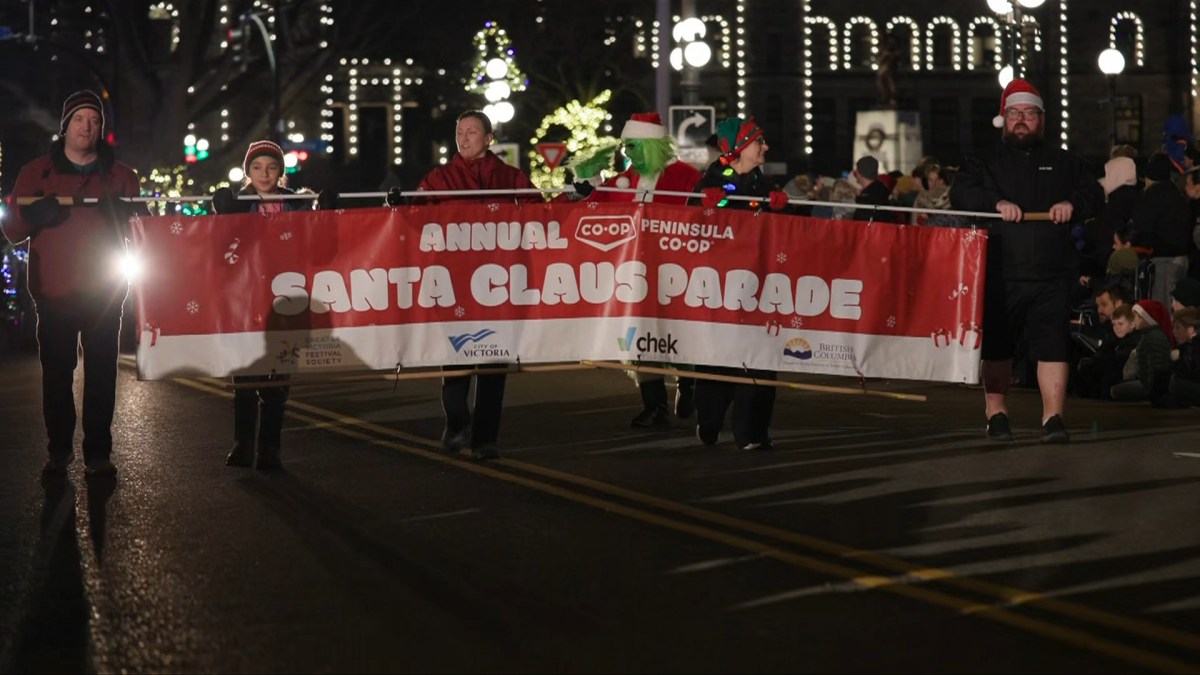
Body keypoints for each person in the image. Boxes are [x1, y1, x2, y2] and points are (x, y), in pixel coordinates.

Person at [950, 78, 1103, 443]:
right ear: (1004, 118)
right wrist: (996, 204)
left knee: (1053, 346)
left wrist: (1071, 205)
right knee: (999, 347)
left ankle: (1053, 418)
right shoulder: (981, 161)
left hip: (1053, 273)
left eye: (1029, 113)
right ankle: (996, 414)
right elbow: (962, 194)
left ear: (1042, 119)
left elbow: (1094, 195)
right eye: (1014, 113)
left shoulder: (1066, 162)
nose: (1021, 120)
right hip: (1001, 271)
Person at [1, 90, 143, 476]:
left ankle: (98, 453)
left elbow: (146, 231)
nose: (87, 126)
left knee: (102, 375)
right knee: (57, 375)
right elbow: (12, 229)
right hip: (54, 292)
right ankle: (59, 449)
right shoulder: (36, 173)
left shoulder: (122, 176)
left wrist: (129, 217)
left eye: (94, 120)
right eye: (79, 119)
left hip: (105, 292)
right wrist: (33, 216)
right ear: (65, 126)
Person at [388, 110, 537, 461]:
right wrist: (396, 206)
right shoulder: (440, 178)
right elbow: (414, 219)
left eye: (471, 132)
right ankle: (457, 422)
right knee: (455, 358)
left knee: (494, 365)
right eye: (459, 132)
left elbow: (541, 214)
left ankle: (485, 440)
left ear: (489, 138)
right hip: (454, 282)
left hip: (500, 284)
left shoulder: (511, 177)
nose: (464, 138)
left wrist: (576, 199)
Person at [570, 112, 702, 427]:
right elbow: (593, 210)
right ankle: (654, 404)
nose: (627, 152)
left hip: (677, 269)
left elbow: (708, 216)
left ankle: (688, 382)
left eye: (633, 146)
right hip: (633, 274)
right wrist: (588, 183)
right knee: (638, 336)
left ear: (652, 144)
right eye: (626, 146)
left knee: (679, 331)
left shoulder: (686, 176)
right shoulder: (623, 180)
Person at [211, 140, 334, 470]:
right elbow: (217, 245)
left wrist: (326, 213)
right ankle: (243, 443)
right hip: (246, 300)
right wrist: (222, 212)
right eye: (257, 167)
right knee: (246, 378)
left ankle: (270, 449)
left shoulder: (297, 205)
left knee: (278, 382)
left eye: (271, 167)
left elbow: (319, 244)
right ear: (248, 172)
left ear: (280, 171)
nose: (264, 174)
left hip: (287, 300)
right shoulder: (237, 204)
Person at [691, 116, 790, 451]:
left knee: (760, 357)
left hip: (760, 285)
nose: (766, 147)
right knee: (718, 357)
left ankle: (753, 432)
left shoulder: (766, 186)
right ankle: (709, 419)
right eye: (758, 141)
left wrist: (782, 210)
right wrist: (704, 205)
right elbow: (688, 225)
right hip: (720, 287)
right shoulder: (710, 183)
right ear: (738, 148)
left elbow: (789, 232)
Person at [1130, 152, 1191, 313]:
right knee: (1176, 306)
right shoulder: (1176, 193)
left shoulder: (1153, 194)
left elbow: (1142, 226)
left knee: (1161, 308)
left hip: (1163, 257)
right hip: (1181, 256)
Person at [1110, 299, 1175, 405]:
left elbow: (1157, 369)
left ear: (1148, 319)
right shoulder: (1147, 336)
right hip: (1147, 382)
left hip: (1150, 386)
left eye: (1138, 317)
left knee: (1115, 390)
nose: (1135, 320)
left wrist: (1152, 389)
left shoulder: (1154, 337)